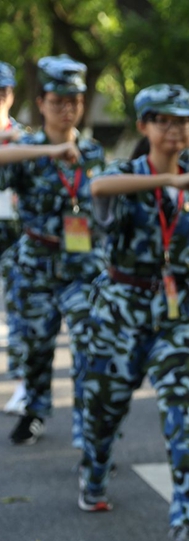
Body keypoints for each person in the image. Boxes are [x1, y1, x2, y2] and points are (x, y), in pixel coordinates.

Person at [79, 84, 189, 541]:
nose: (174, 129)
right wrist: (167, 185)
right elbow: (96, 189)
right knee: (102, 413)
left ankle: (187, 522)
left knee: (183, 416)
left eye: (181, 121)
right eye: (162, 120)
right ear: (144, 127)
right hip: (119, 311)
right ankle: (93, 473)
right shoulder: (127, 174)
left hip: (171, 317)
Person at [0, 55, 105, 447]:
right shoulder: (25, 148)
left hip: (83, 264)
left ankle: (87, 422)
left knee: (88, 339)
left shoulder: (93, 152)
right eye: (59, 100)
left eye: (75, 100)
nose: (67, 108)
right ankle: (36, 410)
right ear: (41, 103)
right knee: (36, 348)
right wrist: (47, 153)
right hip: (35, 264)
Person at [0, 60, 27, 415]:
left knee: (19, 306)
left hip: (14, 228)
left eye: (4, 90)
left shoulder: (25, 135)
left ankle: (24, 384)